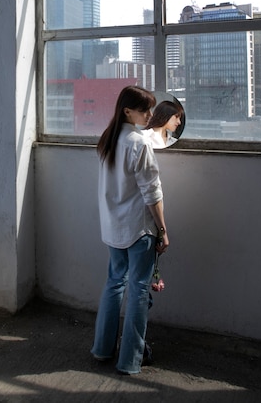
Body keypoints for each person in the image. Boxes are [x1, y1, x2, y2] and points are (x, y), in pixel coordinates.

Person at [91, 85, 169, 375]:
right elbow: (152, 193)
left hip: (113, 227)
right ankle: (130, 360)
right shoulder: (139, 143)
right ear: (127, 111)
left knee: (114, 283)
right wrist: (163, 229)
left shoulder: (108, 139)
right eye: (145, 109)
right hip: (139, 229)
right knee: (137, 290)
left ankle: (101, 349)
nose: (150, 115)